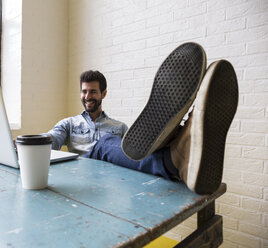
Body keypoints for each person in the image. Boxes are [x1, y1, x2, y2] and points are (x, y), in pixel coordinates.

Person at [48, 42, 239, 195]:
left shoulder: (119, 127)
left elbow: (134, 159)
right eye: (84, 91)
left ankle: (176, 142)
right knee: (105, 144)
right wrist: (27, 144)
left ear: (103, 94)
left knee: (134, 148)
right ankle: (177, 155)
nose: (87, 96)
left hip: (114, 182)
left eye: (93, 91)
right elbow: (51, 140)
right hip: (83, 176)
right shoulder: (69, 124)